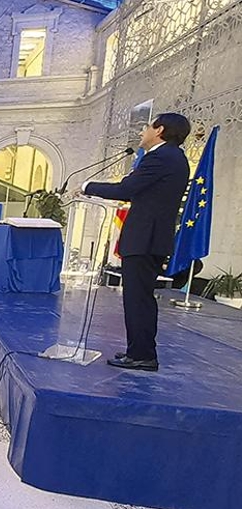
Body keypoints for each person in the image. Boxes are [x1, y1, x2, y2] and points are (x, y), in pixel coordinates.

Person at [84, 113, 192, 372]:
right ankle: (139, 351)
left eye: (148, 126)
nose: (143, 131)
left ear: (160, 129)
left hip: (145, 238)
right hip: (150, 237)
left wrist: (88, 186)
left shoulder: (161, 157)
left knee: (137, 300)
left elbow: (126, 190)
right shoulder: (172, 158)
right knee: (140, 298)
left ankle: (143, 355)